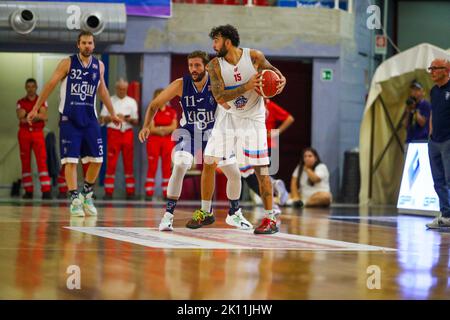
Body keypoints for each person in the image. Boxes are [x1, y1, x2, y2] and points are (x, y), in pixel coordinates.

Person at [194, 24, 286, 235]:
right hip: (228, 116)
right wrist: (247, 86)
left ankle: (271, 218)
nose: (213, 45)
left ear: (227, 41)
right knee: (209, 162)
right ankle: (205, 211)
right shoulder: (214, 66)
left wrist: (282, 81)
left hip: (253, 117)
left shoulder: (254, 57)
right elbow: (219, 97)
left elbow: (275, 74)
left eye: (216, 40)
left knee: (261, 169)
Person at [139, 50, 237, 231]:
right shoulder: (180, 84)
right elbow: (154, 104)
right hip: (189, 134)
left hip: (214, 135)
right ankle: (168, 215)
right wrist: (146, 126)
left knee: (234, 173)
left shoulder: (217, 83)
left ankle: (235, 213)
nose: (193, 69)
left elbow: (235, 101)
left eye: (197, 65)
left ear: (206, 66)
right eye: (191, 65)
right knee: (180, 165)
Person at [26, 30, 121, 217]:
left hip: (90, 118)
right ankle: (75, 199)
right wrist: (36, 107)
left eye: (90, 43)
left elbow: (102, 90)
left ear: (94, 45)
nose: (87, 46)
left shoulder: (99, 66)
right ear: (78, 45)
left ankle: (86, 192)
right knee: (70, 161)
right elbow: (50, 85)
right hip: (69, 119)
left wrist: (113, 113)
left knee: (98, 160)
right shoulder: (67, 63)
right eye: (84, 43)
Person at [241, 98, 294, 207]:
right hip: (263, 145)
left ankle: (273, 198)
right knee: (260, 176)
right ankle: (275, 192)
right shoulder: (260, 104)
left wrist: (276, 132)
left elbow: (289, 118)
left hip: (261, 145)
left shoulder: (261, 104)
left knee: (251, 175)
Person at [100, 78, 139, 200]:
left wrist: (126, 119)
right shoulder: (110, 100)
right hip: (113, 132)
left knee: (128, 163)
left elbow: (136, 121)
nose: (122, 91)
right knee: (111, 163)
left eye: (124, 89)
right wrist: (113, 117)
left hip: (127, 132)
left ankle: (130, 191)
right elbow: (101, 118)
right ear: (116, 88)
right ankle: (108, 192)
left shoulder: (132, 102)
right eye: (120, 89)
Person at [16, 78, 52, 199]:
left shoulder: (41, 101)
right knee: (25, 162)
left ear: (36, 87)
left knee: (42, 161)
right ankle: (28, 191)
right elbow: (20, 116)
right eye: (28, 86)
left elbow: (44, 116)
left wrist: (28, 115)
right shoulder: (20, 101)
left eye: (33, 86)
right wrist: (36, 115)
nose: (31, 89)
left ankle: (46, 191)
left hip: (37, 133)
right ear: (26, 88)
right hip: (24, 133)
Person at [425, 58, 450, 229]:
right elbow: (434, 113)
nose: (432, 71)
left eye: (435, 68)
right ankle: (446, 214)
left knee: (449, 179)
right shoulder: (434, 91)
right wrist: (431, 133)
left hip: (448, 141)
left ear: (446, 70)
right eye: (431, 68)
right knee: (438, 180)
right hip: (435, 141)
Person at [143, 88, 177, 201]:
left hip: (167, 141)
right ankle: (149, 192)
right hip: (154, 141)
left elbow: (174, 127)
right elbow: (151, 128)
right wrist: (163, 130)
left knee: (167, 167)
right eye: (158, 96)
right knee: (152, 166)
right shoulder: (153, 110)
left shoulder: (171, 111)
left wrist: (160, 128)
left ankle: (166, 192)